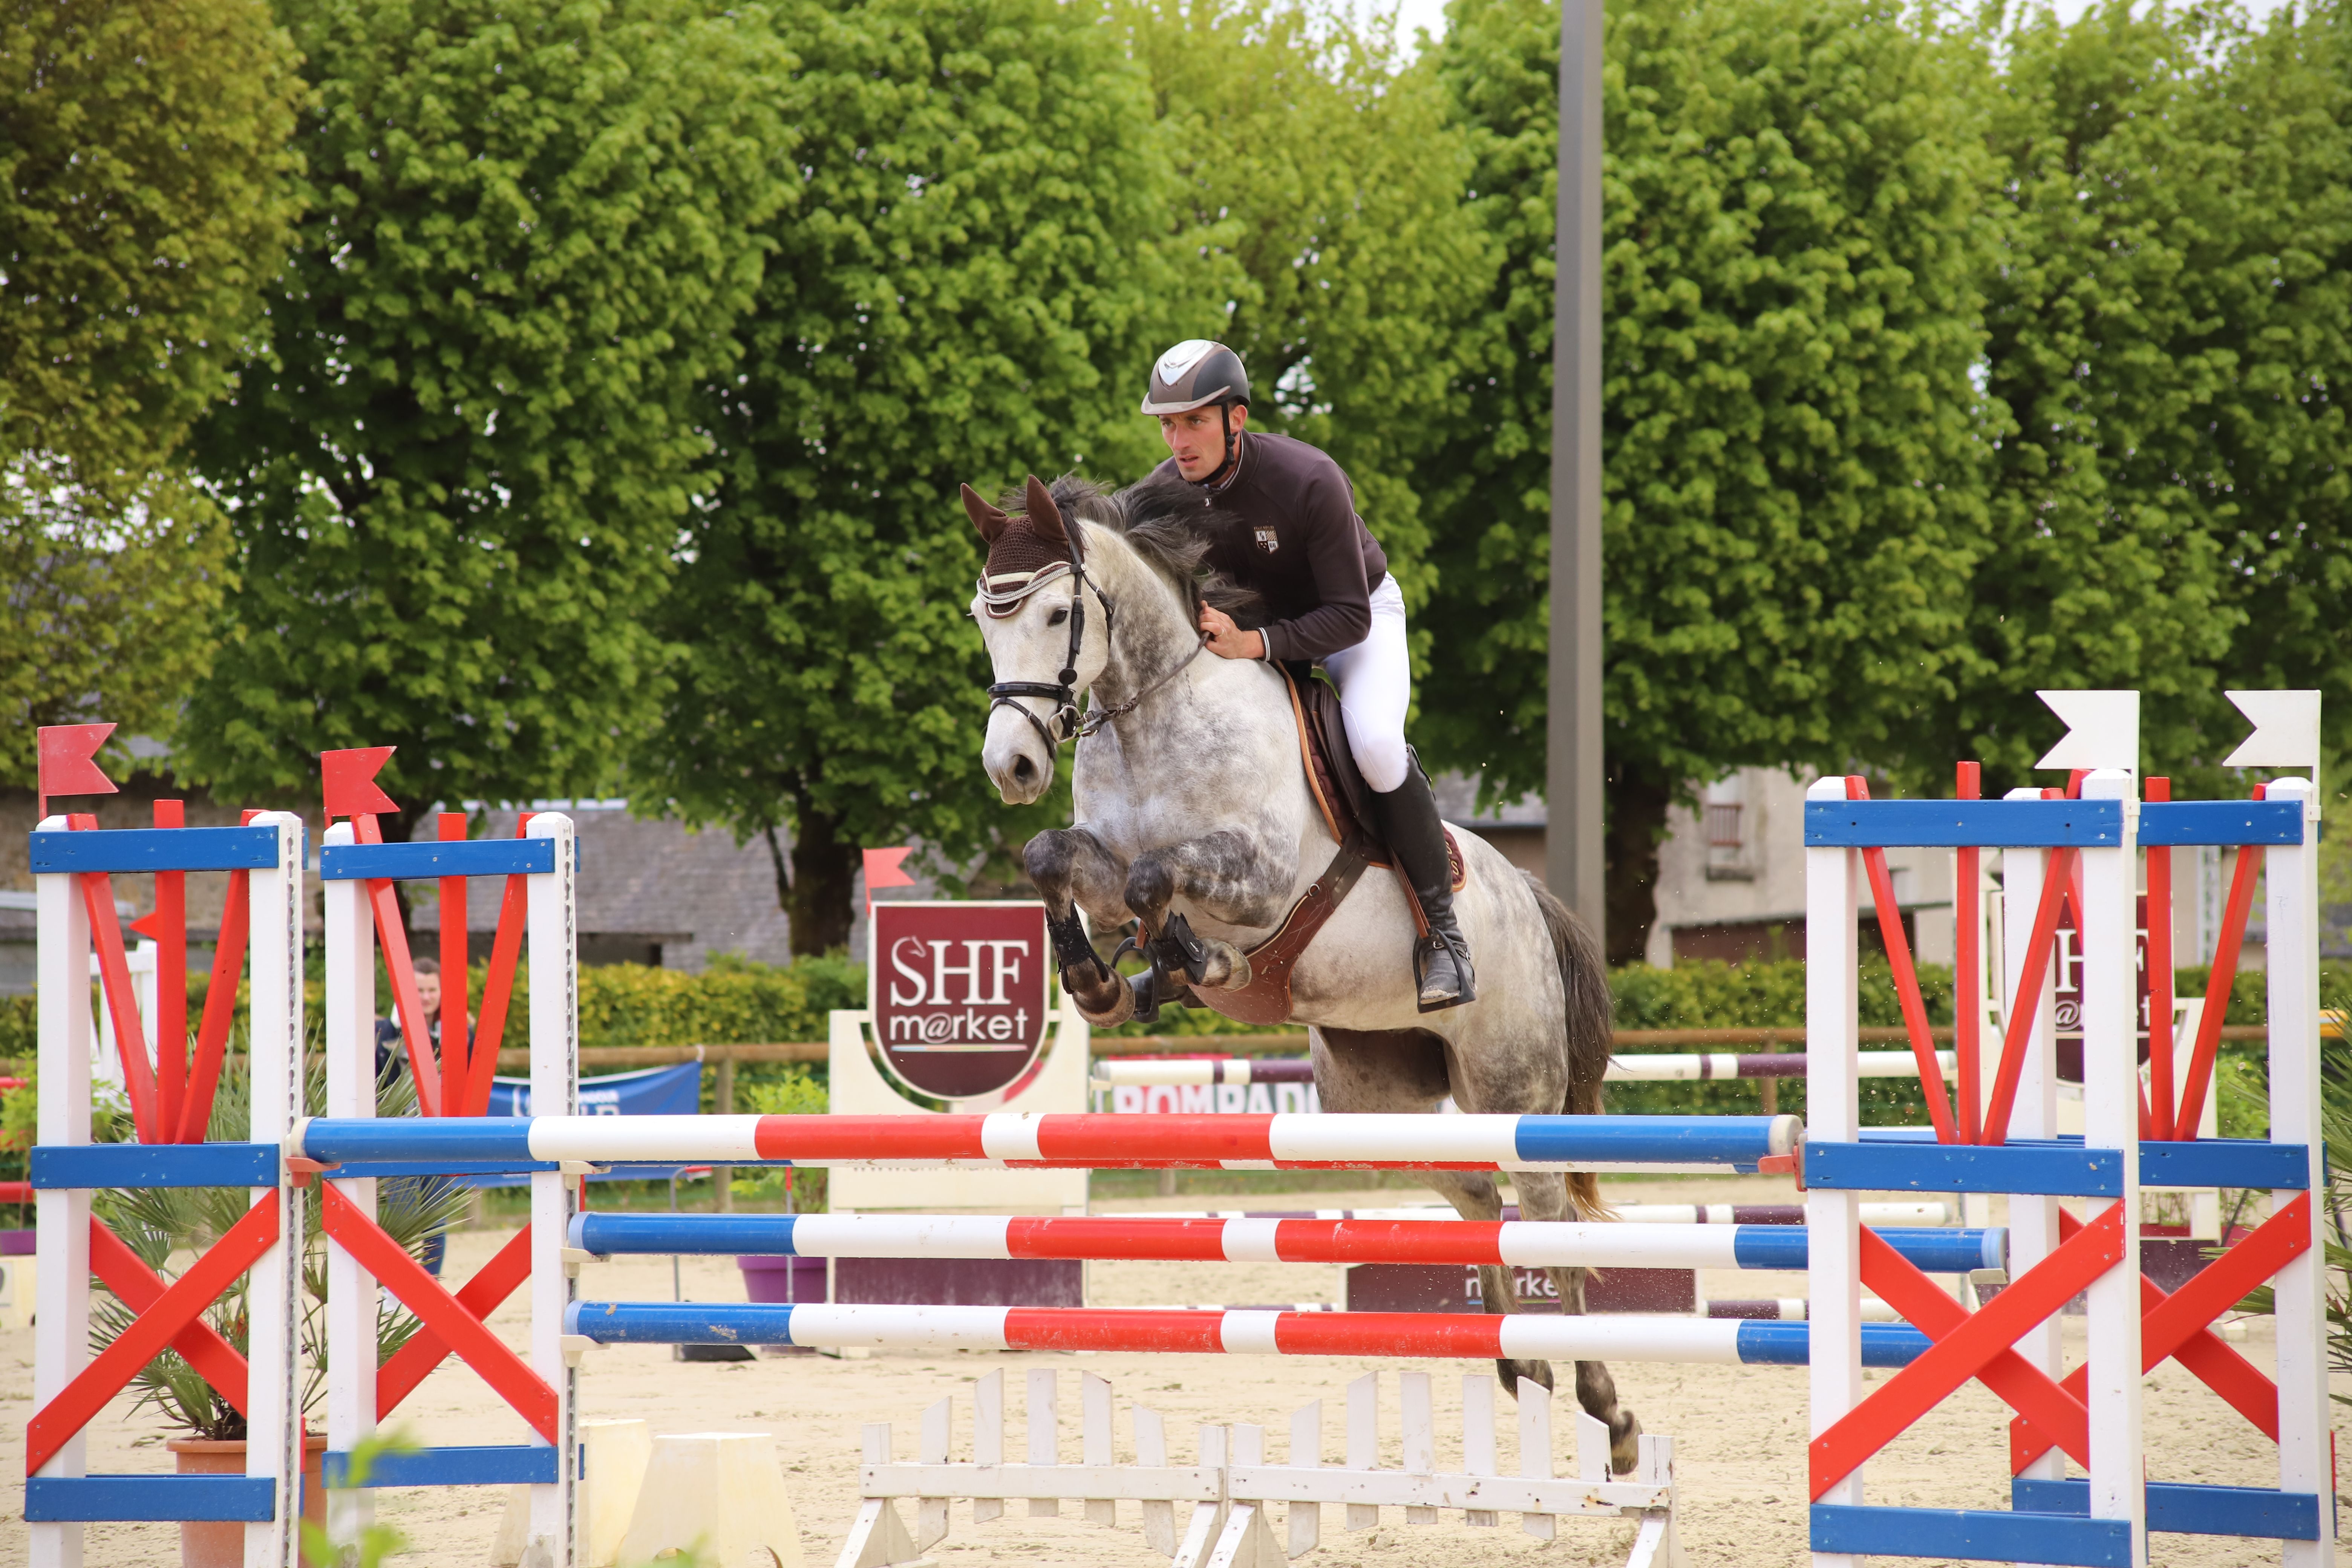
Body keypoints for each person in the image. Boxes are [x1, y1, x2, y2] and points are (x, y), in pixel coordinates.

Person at [1141, 340, 1473, 1010]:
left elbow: (1348, 617)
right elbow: (1101, 535)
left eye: (1195, 422)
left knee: (1376, 744)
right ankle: (1170, 945)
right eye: (1169, 424)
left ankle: (1444, 937)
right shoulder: (1164, 489)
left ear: (1236, 419)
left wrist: (1257, 644)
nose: (1179, 441)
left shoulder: (1308, 478)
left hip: (1354, 620)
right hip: (1256, 636)